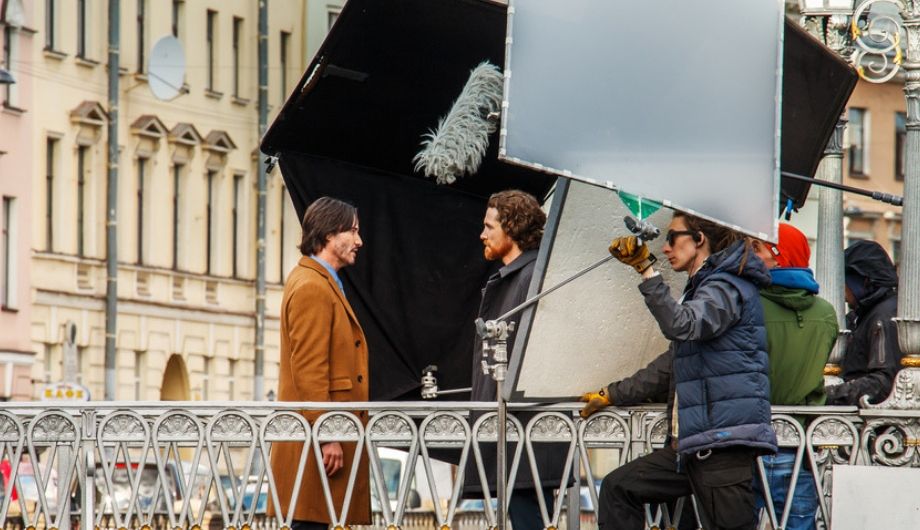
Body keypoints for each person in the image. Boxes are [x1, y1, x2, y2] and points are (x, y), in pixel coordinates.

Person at [580, 212, 776, 530]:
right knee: (619, 488)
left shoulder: (725, 287)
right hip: (694, 446)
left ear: (700, 239)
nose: (666, 247)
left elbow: (681, 325)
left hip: (721, 447)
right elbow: (673, 361)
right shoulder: (704, 288)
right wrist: (612, 394)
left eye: (672, 238)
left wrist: (646, 270)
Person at [464, 190, 567, 530]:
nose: (482, 234)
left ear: (511, 228)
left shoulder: (531, 277)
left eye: (489, 226)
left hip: (525, 434)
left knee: (528, 520)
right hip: (514, 433)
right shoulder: (519, 276)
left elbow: (535, 359)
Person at [269, 197, 370, 529]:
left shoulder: (320, 281)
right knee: (310, 523)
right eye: (352, 231)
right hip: (318, 443)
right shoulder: (312, 286)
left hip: (320, 439)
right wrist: (328, 433)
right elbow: (309, 370)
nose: (359, 241)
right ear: (328, 234)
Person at [750, 223, 838, 530]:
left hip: (750, 441)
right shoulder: (826, 312)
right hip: (800, 443)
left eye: (756, 249)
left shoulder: (748, 305)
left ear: (779, 256)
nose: (748, 256)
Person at [826, 240, 903, 406]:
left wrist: (832, 394)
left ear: (863, 281)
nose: (842, 290)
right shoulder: (864, 314)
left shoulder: (884, 316)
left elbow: (884, 382)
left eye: (844, 282)